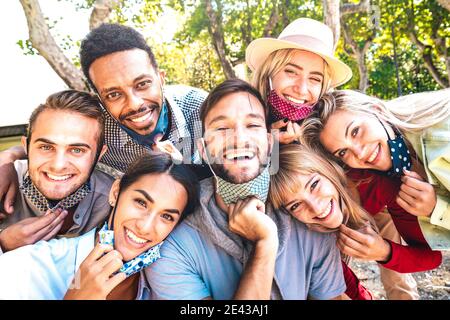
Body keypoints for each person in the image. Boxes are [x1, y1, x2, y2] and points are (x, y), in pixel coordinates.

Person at [145, 79, 346, 300]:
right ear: (203, 149)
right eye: (221, 128)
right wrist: (265, 243)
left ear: (270, 143)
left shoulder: (307, 214)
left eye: (252, 125)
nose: (239, 139)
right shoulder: (174, 244)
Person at [0, 23, 209, 218]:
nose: (134, 104)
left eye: (143, 84)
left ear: (161, 78)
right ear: (100, 99)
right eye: (114, 95)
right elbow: (52, 141)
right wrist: (9, 158)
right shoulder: (99, 126)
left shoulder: (203, 109)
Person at [0, 152, 199, 299]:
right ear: (115, 193)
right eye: (140, 203)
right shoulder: (29, 267)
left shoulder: (168, 287)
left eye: (166, 216)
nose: (145, 227)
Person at [270, 143, 443, 299]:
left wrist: (385, 252)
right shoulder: (307, 228)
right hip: (341, 212)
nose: (315, 207)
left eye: (314, 185)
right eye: (295, 205)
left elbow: (432, 257)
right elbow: (341, 279)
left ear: (329, 169)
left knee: (392, 265)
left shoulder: (375, 183)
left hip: (374, 205)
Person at [301, 89, 450, 249]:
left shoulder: (442, 138)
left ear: (376, 110)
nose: (359, 153)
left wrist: (436, 209)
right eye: (343, 152)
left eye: (355, 131)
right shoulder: (396, 158)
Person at [0, 90, 113, 253]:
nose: (58, 165)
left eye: (77, 150)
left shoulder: (113, 202)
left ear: (99, 154)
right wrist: (3, 243)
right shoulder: (4, 180)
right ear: (26, 146)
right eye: (46, 147)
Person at [246, 17, 352, 144]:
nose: (301, 90)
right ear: (269, 73)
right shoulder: (238, 115)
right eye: (291, 72)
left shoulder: (329, 131)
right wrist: (265, 144)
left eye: (314, 79)